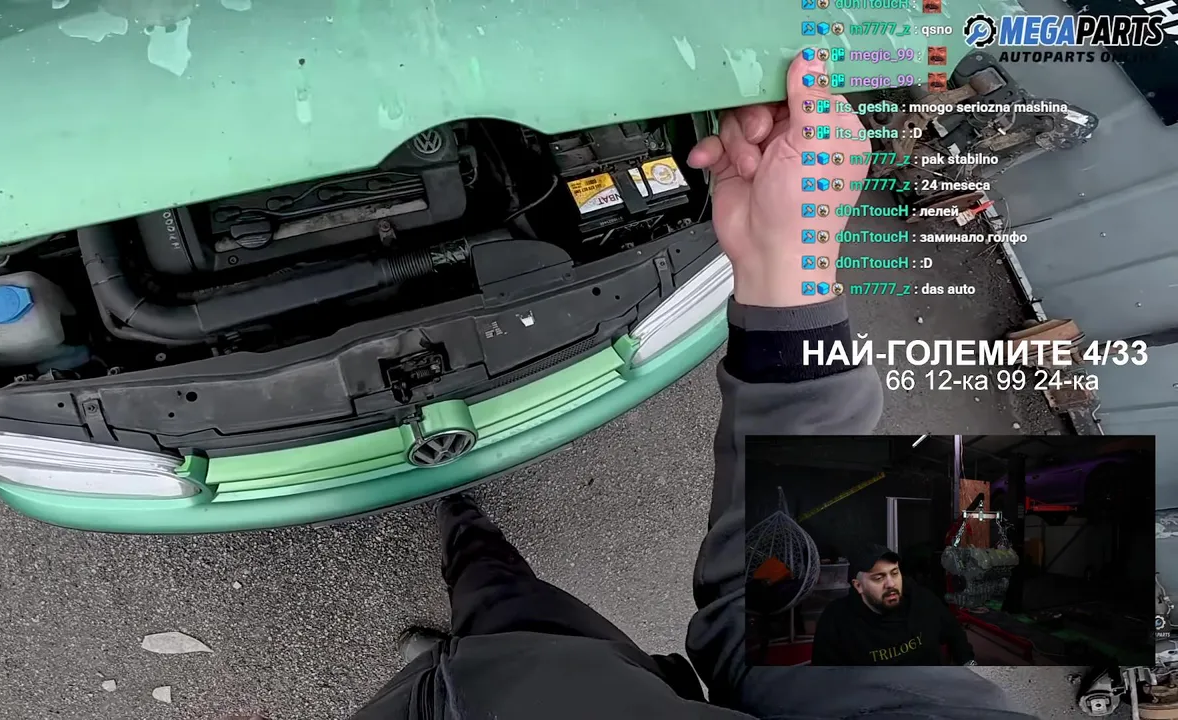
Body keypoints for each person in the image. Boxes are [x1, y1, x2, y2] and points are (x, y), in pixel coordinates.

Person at [352, 52, 1036, 720]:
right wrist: (786, 272)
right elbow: (800, 618)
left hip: (491, 698)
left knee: (501, 617)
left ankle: (467, 608)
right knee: (501, 596)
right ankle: (470, 549)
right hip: (566, 677)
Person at [811, 543, 977, 666]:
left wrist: (970, 666)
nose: (891, 584)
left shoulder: (922, 600)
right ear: (858, 586)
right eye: (879, 578)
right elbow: (827, 682)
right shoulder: (837, 621)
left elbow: (955, 634)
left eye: (895, 573)